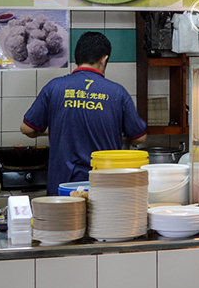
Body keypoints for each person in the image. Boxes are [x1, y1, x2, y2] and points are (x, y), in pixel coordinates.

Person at [21, 31, 146, 192]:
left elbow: (27, 128)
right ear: (104, 59)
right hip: (104, 189)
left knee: (66, 218)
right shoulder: (118, 93)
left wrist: (53, 129)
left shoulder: (54, 87)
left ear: (75, 59)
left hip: (63, 190)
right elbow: (139, 137)